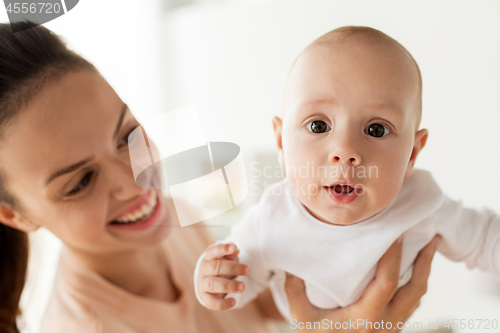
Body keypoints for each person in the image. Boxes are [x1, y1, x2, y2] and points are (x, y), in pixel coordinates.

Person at [0, 22, 436, 333]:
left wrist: (339, 271)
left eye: (127, 136)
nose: (137, 181)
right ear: (14, 214)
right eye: (80, 183)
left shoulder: (168, 215)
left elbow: (254, 303)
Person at [195, 26, 500, 321]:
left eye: (376, 129)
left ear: (411, 154)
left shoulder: (421, 201)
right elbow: (240, 278)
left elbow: (486, 239)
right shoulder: (271, 217)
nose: (345, 150)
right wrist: (214, 280)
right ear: (281, 143)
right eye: (318, 126)